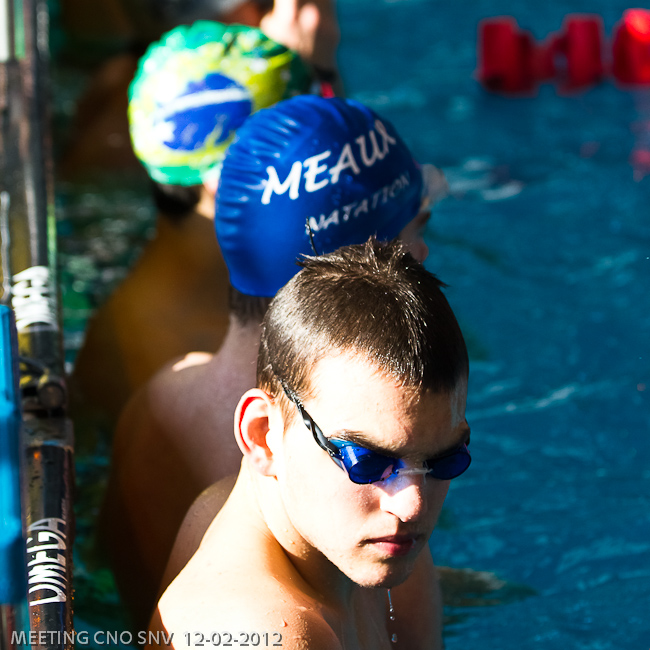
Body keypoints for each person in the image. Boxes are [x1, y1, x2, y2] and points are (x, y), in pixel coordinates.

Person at [100, 95, 448, 629]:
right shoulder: (331, 482)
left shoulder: (160, 394)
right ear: (366, 272)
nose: (422, 255)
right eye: (415, 232)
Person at [148, 237, 471, 650]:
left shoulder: (362, 532)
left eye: (444, 460)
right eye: (368, 461)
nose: (413, 506)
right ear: (262, 435)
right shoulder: (264, 636)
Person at [70, 10, 338, 436]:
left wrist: (318, 69)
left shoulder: (168, 300)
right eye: (303, 156)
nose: (323, 171)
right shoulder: (202, 356)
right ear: (227, 180)